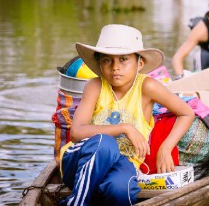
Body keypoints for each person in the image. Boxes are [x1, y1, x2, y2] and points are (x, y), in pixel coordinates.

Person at [59, 24, 195, 205]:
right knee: (104, 143)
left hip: (123, 164)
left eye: (123, 59)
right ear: (99, 63)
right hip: (79, 163)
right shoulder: (95, 86)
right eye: (107, 60)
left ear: (139, 63)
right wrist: (124, 127)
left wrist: (165, 148)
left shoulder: (147, 87)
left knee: (121, 189)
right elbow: (76, 132)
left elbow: (186, 113)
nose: (115, 67)